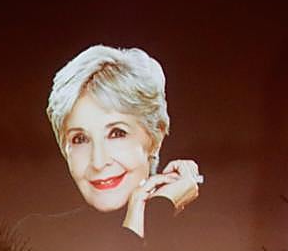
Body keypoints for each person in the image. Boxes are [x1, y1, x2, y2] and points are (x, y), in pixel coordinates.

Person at [46, 44, 201, 239]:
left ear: (156, 136)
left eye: (117, 133)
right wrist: (155, 212)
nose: (98, 162)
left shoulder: (211, 233)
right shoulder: (36, 235)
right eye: (80, 139)